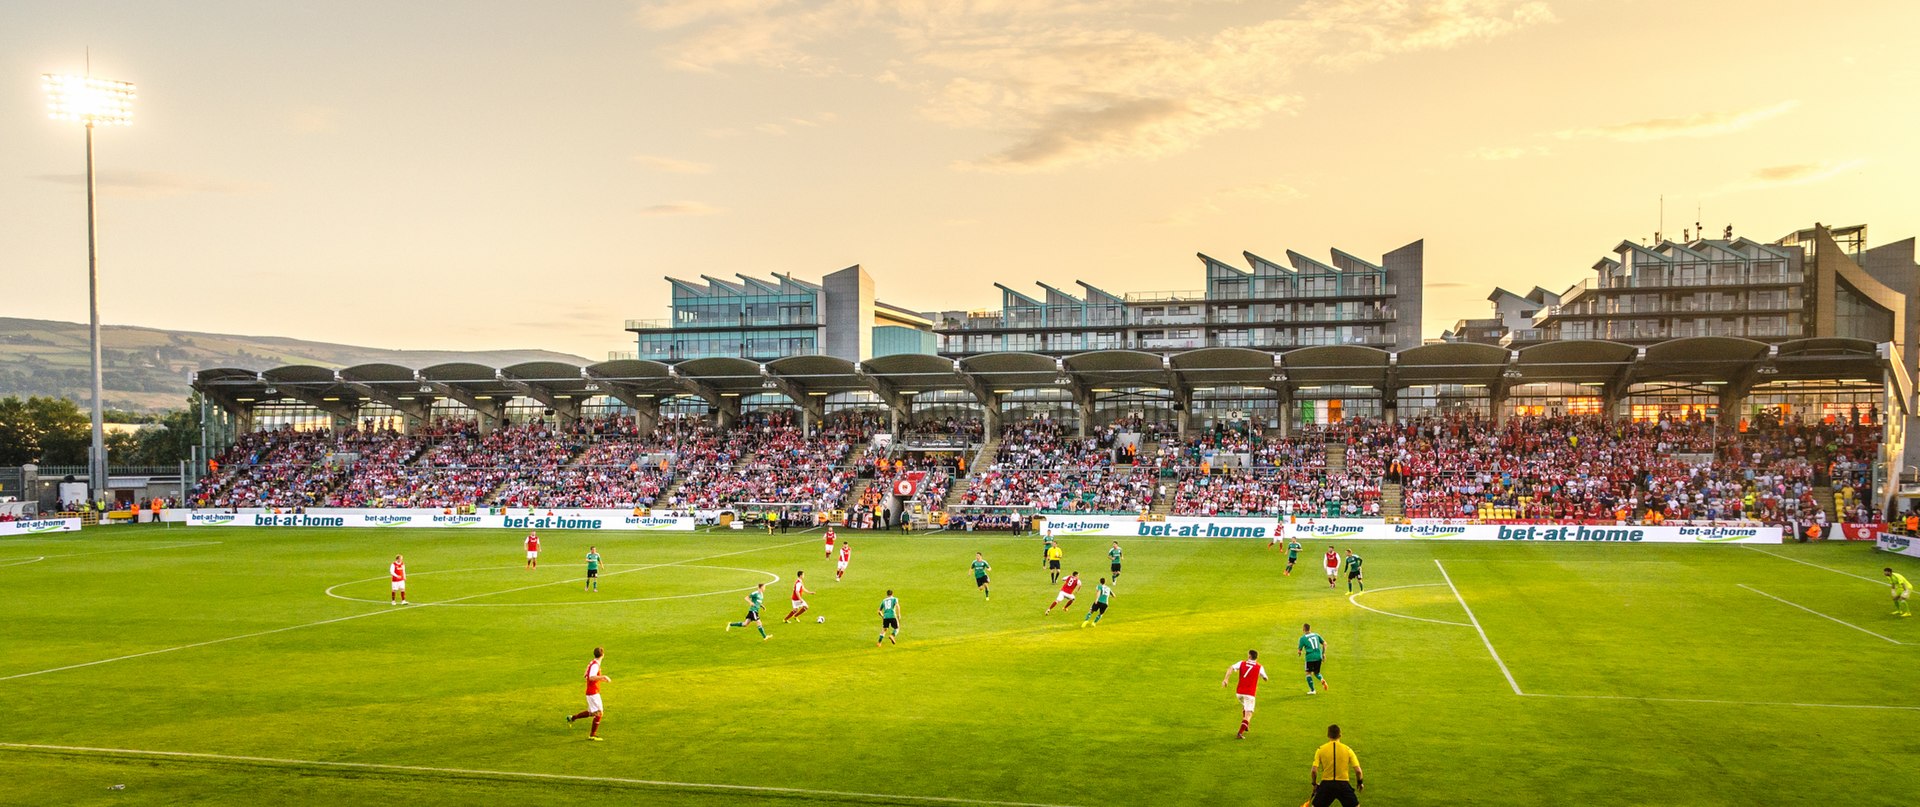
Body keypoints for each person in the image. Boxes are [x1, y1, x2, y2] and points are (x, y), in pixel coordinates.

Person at [1309, 724, 1364, 807]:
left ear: (1328, 735)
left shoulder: (1320, 750)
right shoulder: (1348, 750)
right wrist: (1360, 783)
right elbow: (1358, 771)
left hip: (1326, 785)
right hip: (1343, 785)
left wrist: (1314, 784)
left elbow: (1313, 771)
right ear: (1340, 735)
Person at [1221, 649, 1268, 739]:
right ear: (1256, 657)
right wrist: (1264, 678)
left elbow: (1230, 667)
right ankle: (1240, 733)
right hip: (1249, 694)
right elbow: (1266, 678)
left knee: (1245, 706)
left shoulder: (1241, 663)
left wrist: (1226, 679)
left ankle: (1245, 726)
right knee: (1249, 714)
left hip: (1239, 693)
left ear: (1249, 656)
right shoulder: (1259, 667)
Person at [566, 647, 611, 741]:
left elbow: (586, 675)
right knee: (599, 713)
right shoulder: (595, 665)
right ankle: (592, 735)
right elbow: (590, 677)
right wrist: (603, 676)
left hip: (591, 692)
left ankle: (572, 718)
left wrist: (600, 679)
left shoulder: (592, 662)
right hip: (593, 693)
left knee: (592, 712)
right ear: (603, 655)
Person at [1299, 623, 1329, 694]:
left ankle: (1312, 690)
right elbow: (1324, 643)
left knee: (1308, 673)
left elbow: (1299, 650)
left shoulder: (1303, 638)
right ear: (1310, 629)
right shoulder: (1316, 635)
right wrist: (1323, 653)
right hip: (1318, 657)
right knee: (1316, 672)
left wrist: (1299, 652)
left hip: (1310, 658)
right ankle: (1321, 679)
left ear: (1303, 629)